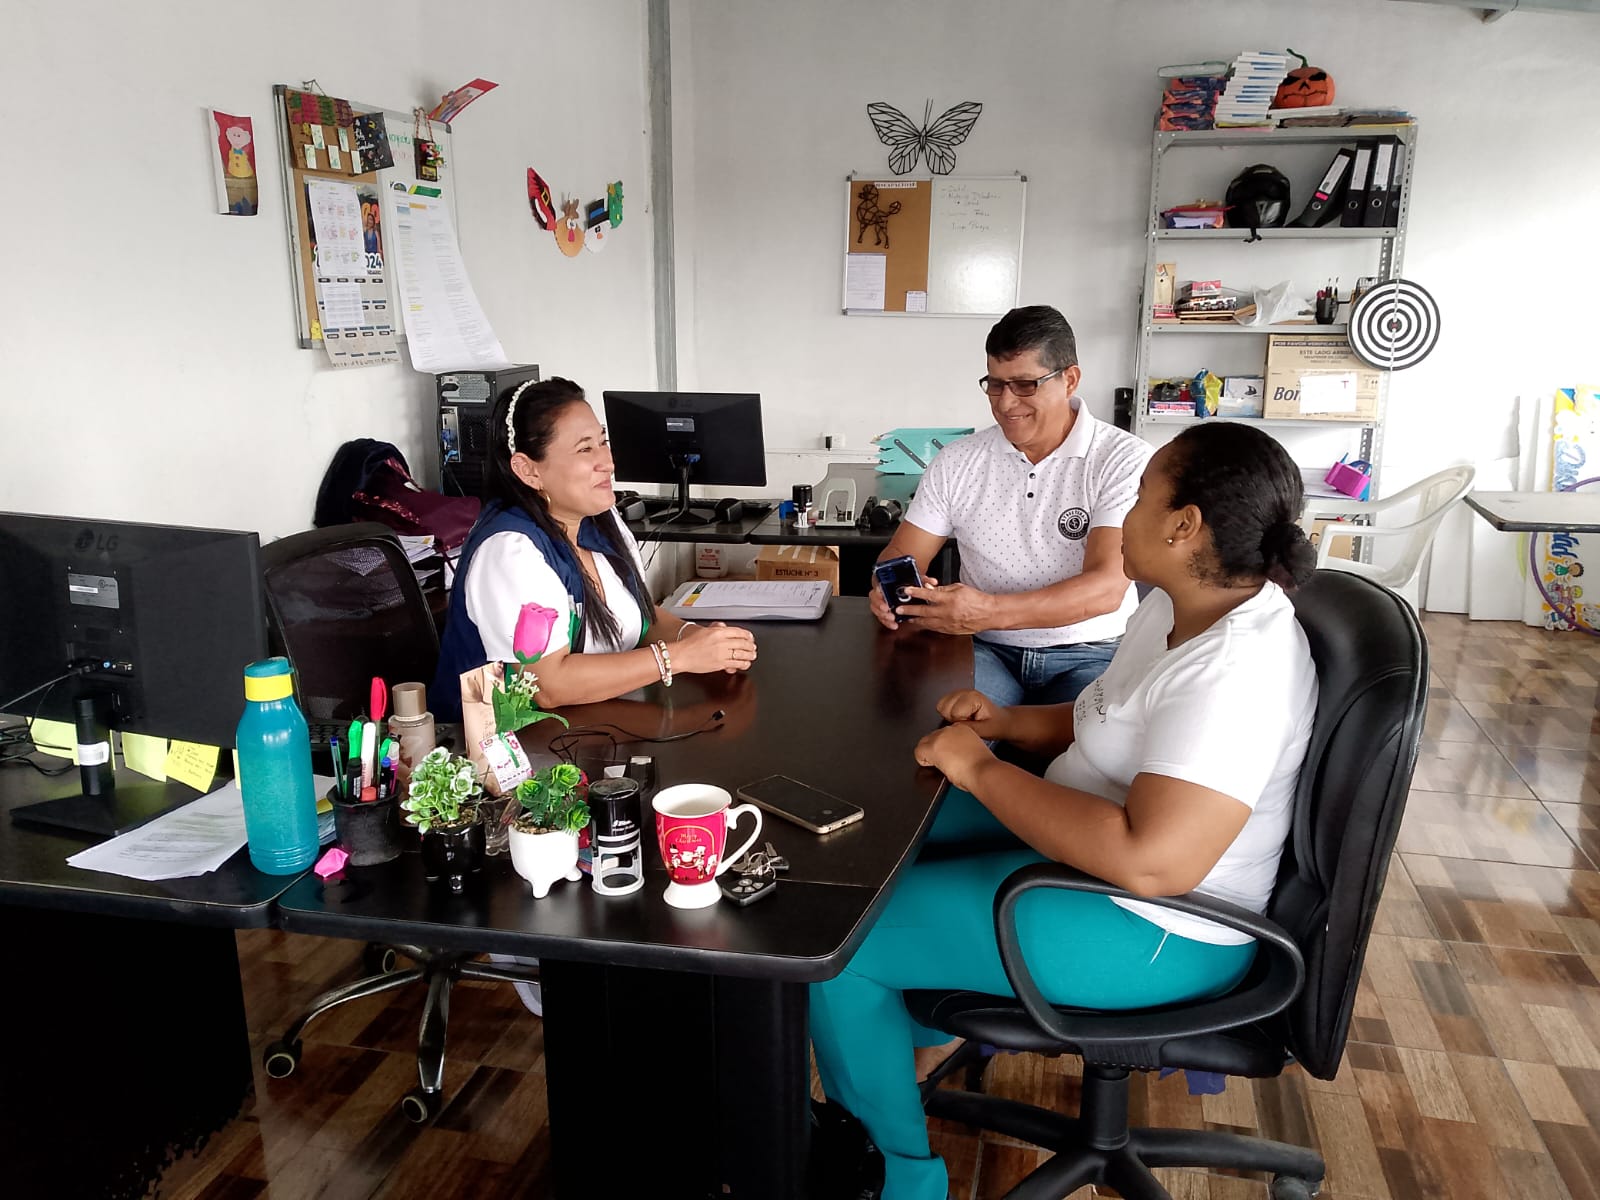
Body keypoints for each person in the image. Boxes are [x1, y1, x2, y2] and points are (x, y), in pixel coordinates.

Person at [812, 422, 1321, 1200]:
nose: (1123, 513)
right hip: (1091, 854)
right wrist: (1008, 723)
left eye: (1143, 497)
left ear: (1184, 527)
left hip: (1161, 930)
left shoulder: (1235, 670)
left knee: (840, 942)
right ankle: (899, 1039)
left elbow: (1153, 861)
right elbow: (1106, 717)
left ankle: (895, 1180)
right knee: (874, 837)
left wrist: (982, 769)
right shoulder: (1176, 604)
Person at [871, 306, 1153, 708]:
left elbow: (1106, 587)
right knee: (949, 732)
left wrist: (988, 611)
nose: (1005, 403)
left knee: (1086, 742)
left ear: (1070, 379)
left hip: (1090, 651)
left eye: (1024, 385)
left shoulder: (1123, 460)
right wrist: (887, 588)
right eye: (995, 384)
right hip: (982, 648)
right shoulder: (957, 461)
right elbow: (902, 552)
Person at [430, 377, 758, 723]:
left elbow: (640, 618)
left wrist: (697, 638)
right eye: (585, 449)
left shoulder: (600, 518)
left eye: (603, 442)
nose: (608, 462)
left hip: (594, 727)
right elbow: (548, 686)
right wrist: (678, 657)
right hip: (504, 745)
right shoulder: (509, 552)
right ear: (528, 470)